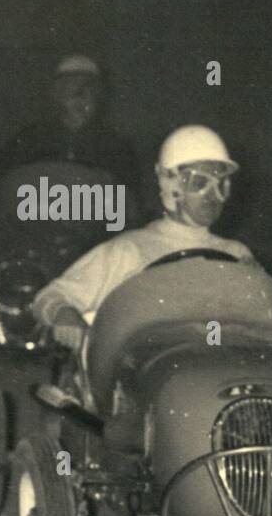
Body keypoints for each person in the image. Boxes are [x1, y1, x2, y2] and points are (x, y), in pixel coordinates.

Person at [30, 125, 253, 350]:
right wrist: (64, 316)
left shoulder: (236, 254)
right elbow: (52, 296)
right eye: (199, 183)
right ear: (171, 184)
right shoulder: (129, 250)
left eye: (221, 184)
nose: (213, 196)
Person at [0, 54, 138, 221]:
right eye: (71, 89)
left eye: (90, 89)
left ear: (99, 97)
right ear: (57, 94)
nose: (81, 97)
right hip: (36, 223)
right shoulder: (34, 135)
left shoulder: (115, 145)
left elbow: (129, 201)